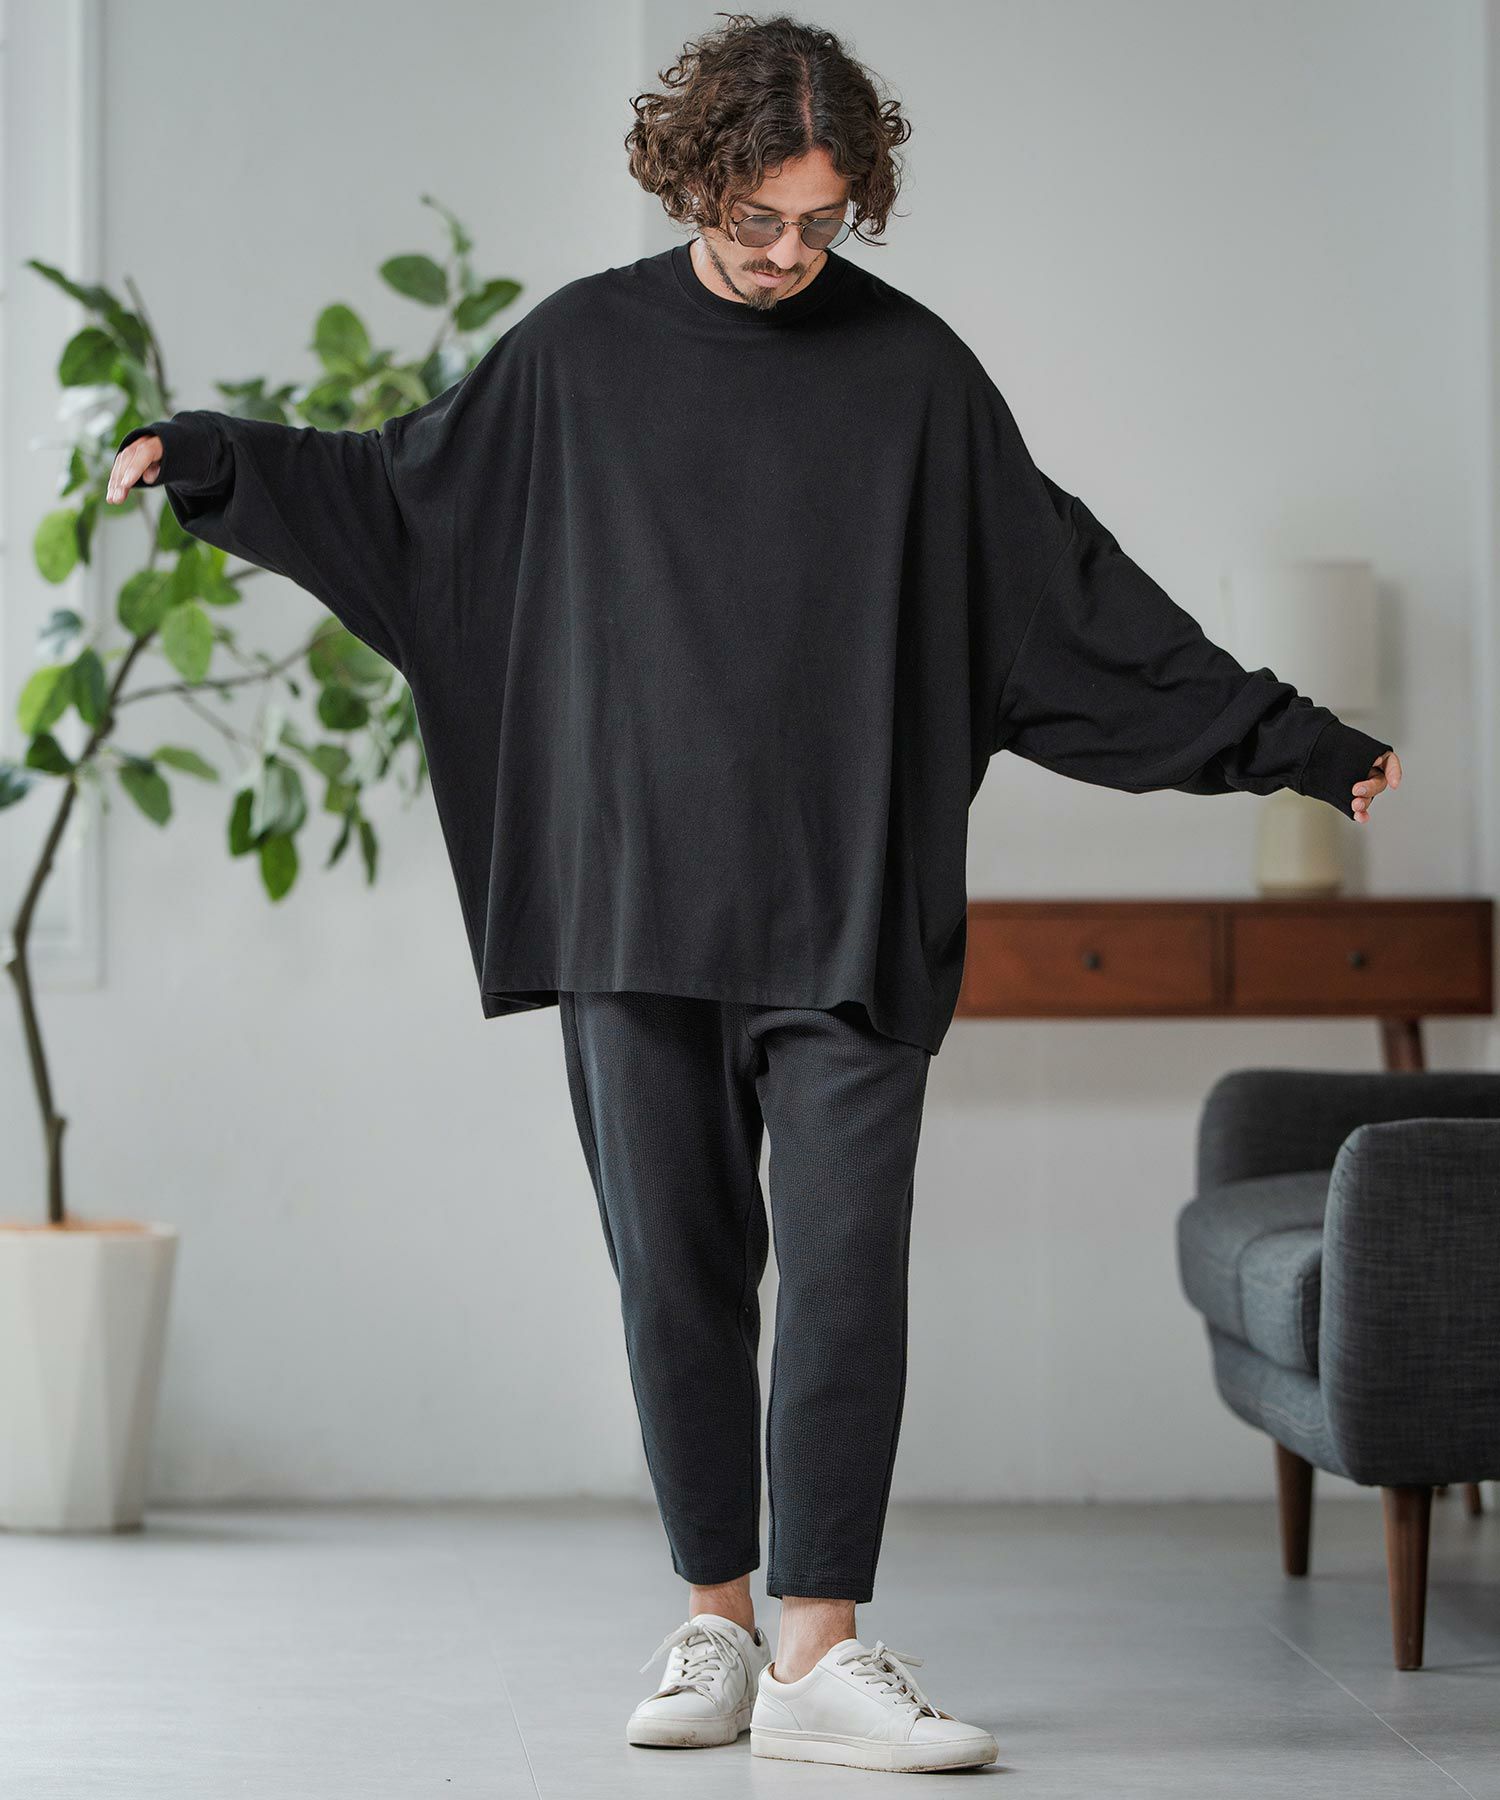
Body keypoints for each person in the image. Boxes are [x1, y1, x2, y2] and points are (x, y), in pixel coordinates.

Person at [106, 13, 1399, 1775]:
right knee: (679, 1280)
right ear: (690, 176)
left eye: (824, 221)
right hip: (631, 901)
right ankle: (714, 1624)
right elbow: (404, 499)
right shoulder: (576, 356)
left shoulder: (915, 376)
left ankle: (819, 1649)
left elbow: (1062, 597)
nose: (792, 253)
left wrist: (1290, 740)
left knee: (848, 1279)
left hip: (846, 897)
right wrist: (211, 461)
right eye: (760, 217)